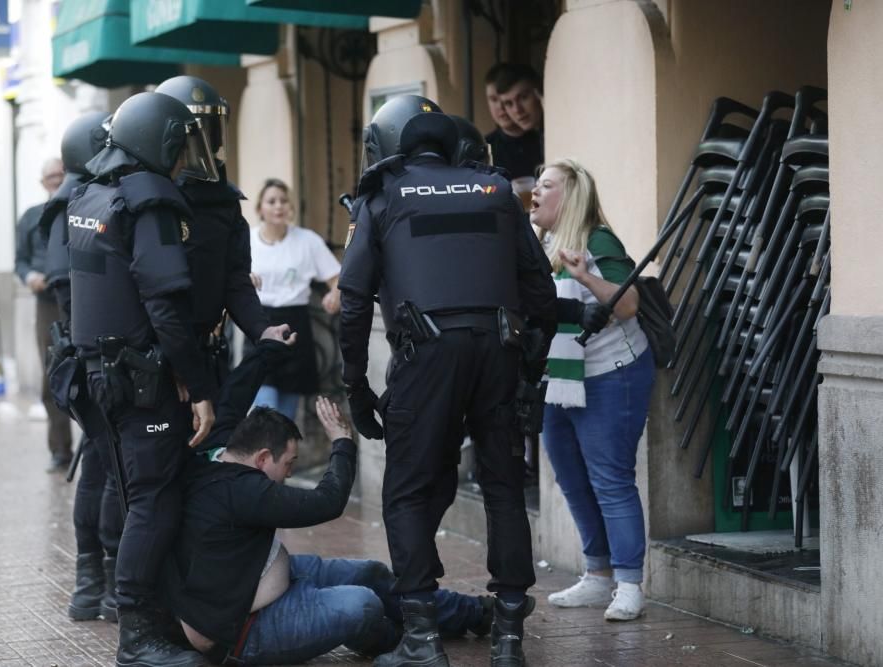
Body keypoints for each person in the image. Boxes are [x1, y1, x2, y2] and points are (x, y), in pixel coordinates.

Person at [338, 95, 558, 667]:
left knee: (406, 492)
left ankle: (420, 639)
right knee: (505, 488)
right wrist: (529, 368)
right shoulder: (497, 191)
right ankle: (509, 636)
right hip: (499, 353)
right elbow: (541, 293)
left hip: (425, 354)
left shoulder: (383, 194)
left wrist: (355, 386)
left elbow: (354, 300)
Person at [161, 339, 493, 665]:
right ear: (263, 458)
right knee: (362, 604)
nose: (288, 475)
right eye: (288, 464)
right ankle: (402, 644)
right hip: (248, 629)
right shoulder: (245, 491)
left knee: (371, 573)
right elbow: (327, 502)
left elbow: (234, 397)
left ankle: (475, 613)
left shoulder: (219, 451)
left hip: (267, 575)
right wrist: (341, 443)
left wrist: (267, 347)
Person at [69, 91, 222, 666]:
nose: (184, 157)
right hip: (141, 384)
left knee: (136, 498)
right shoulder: (150, 203)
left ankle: (148, 619)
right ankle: (137, 639)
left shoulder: (90, 194)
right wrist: (200, 384)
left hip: (97, 380)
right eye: (179, 144)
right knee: (154, 501)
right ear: (158, 142)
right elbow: (164, 307)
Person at [528, 158, 656, 622]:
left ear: (571, 196)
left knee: (610, 479)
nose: (535, 192)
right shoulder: (540, 243)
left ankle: (628, 583)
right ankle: (597, 575)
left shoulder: (597, 240)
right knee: (572, 479)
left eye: (546, 185)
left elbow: (629, 304)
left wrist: (584, 275)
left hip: (612, 374)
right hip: (559, 378)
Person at [38, 110, 124, 624]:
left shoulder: (64, 202)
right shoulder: (82, 203)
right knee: (106, 468)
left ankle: (91, 584)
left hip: (78, 353)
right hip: (93, 356)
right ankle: (106, 583)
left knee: (96, 465)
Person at [154, 76, 279, 384]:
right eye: (191, 137)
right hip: (157, 359)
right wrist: (179, 366)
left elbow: (235, 279)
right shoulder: (145, 201)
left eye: (209, 131)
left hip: (207, 351)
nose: (201, 147)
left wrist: (262, 329)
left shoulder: (224, 201)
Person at [248, 178, 341, 421]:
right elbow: (228, 278)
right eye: (271, 201)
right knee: (264, 409)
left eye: (283, 200)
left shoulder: (308, 241)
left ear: (290, 206)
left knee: (287, 416)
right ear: (260, 209)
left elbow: (337, 277)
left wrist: (334, 293)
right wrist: (244, 280)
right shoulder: (247, 241)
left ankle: (282, 457)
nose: (279, 206)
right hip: (260, 325)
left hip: (295, 326)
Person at [15, 156, 72, 472]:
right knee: (53, 376)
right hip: (47, 303)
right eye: (50, 175)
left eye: (60, 174)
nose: (56, 179)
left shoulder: (79, 208)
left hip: (79, 300)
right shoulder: (30, 217)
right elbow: (20, 260)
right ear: (42, 182)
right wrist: (29, 277)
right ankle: (61, 449)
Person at [483, 64, 542, 182]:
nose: (501, 107)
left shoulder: (544, 136)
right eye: (494, 100)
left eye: (523, 97)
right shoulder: (484, 148)